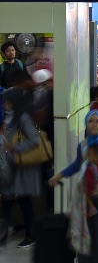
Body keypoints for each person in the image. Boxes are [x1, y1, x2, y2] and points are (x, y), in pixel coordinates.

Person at [49, 110, 98, 263]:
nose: (94, 124)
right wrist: (59, 176)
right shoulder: (83, 146)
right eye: (91, 121)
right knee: (87, 233)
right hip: (86, 198)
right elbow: (77, 165)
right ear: (86, 124)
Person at [0, 87, 41, 249]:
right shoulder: (11, 117)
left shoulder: (22, 117)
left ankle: (30, 235)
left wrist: (14, 148)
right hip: (13, 167)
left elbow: (34, 140)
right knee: (11, 199)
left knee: (21, 200)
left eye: (7, 101)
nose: (5, 104)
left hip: (22, 168)